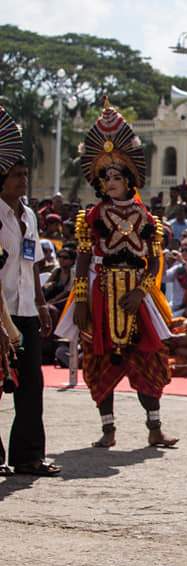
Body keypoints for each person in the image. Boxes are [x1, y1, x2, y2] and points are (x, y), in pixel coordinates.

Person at [54, 99, 178, 449]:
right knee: (99, 360)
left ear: (129, 179)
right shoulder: (92, 217)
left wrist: (141, 291)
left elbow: (153, 261)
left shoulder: (146, 219)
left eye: (116, 176)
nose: (110, 181)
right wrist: (78, 300)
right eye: (104, 176)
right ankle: (108, 431)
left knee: (149, 358)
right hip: (101, 292)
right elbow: (81, 258)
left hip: (135, 294)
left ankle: (154, 428)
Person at [0, 105, 57, 476]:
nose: (23, 181)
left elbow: (32, 261)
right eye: (17, 175)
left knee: (31, 386)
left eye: (25, 174)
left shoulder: (30, 215)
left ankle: (28, 456)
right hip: (0, 310)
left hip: (26, 310)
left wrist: (41, 304)